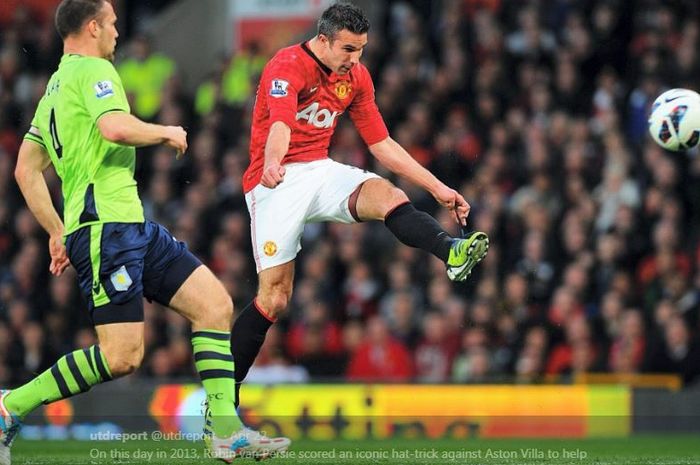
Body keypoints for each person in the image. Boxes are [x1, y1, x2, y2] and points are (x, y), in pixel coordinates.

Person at [1, 1, 289, 463]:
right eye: (112, 23)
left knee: (214, 305)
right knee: (122, 357)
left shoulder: (53, 88)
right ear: (93, 27)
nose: (117, 32)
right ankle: (10, 406)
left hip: (127, 224)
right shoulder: (94, 71)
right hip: (105, 229)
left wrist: (56, 230)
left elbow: (24, 169)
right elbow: (114, 128)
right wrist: (166, 131)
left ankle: (226, 430)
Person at [231, 2, 489, 405]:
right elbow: (280, 123)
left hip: (319, 169)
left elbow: (381, 143)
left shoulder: (356, 77)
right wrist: (271, 162)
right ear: (323, 40)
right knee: (275, 299)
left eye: (362, 49)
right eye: (348, 49)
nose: (356, 59)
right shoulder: (287, 65)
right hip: (275, 182)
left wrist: (438, 187)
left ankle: (451, 251)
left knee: (390, 195)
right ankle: (221, 397)